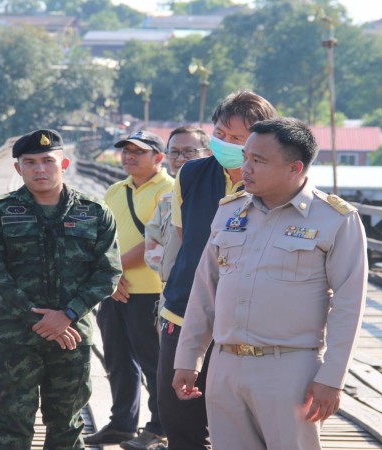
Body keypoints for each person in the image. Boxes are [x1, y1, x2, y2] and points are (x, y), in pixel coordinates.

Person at [172, 117, 368, 450]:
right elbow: (205, 292)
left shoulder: (335, 220)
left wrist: (332, 378)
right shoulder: (229, 212)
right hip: (225, 365)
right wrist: (188, 359)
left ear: (294, 168)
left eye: (257, 161)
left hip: (289, 370)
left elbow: (349, 307)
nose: (244, 167)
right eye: (245, 156)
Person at [0, 129, 122, 449]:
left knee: (67, 426)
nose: (40, 169)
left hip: (71, 335)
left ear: (64, 163)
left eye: (47, 161)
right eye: (30, 162)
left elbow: (108, 272)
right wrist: (37, 318)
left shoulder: (94, 213)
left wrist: (67, 314)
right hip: (16, 338)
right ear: (18, 169)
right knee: (13, 425)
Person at [158, 90, 277, 449]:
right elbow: (187, 238)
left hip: (249, 321)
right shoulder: (192, 174)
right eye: (221, 134)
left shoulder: (275, 184)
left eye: (238, 139)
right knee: (177, 415)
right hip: (184, 310)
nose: (225, 143)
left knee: (241, 422)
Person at [86, 130, 174, 450]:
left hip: (151, 291)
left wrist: (115, 270)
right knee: (118, 360)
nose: (129, 156)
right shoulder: (115, 190)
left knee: (153, 362)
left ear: (158, 158)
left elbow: (157, 240)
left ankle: (159, 425)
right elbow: (101, 236)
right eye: (125, 150)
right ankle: (122, 423)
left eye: (139, 151)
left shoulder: (170, 190)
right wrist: (110, 276)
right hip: (114, 289)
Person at [144, 126, 209, 317]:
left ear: (209, 153)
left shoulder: (222, 198)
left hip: (211, 298)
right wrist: (177, 273)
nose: (180, 159)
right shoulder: (166, 200)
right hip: (173, 297)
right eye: (174, 152)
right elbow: (152, 243)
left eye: (189, 151)